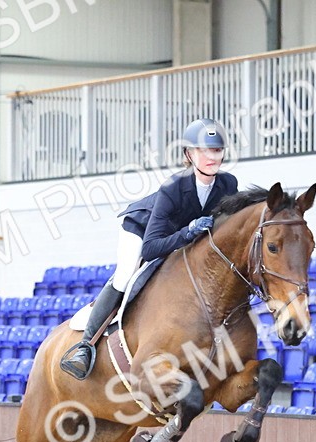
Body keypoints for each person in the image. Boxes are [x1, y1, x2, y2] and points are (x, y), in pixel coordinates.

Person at [59, 118, 239, 380]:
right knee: (125, 275)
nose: (212, 157)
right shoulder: (173, 187)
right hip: (141, 230)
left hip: (180, 239)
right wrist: (188, 232)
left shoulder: (228, 184)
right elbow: (152, 247)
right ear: (189, 154)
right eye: (204, 150)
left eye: (217, 150)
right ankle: (85, 346)